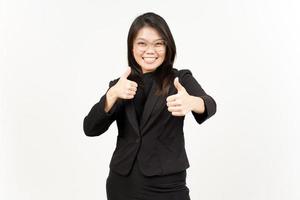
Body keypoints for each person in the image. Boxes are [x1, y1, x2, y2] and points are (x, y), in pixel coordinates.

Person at [83, 12, 217, 200]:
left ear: (167, 46)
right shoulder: (121, 84)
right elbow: (90, 128)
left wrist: (192, 102)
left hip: (167, 185)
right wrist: (111, 94)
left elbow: (209, 103)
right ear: (132, 47)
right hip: (122, 183)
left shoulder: (180, 79)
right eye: (142, 43)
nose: (150, 50)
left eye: (158, 43)